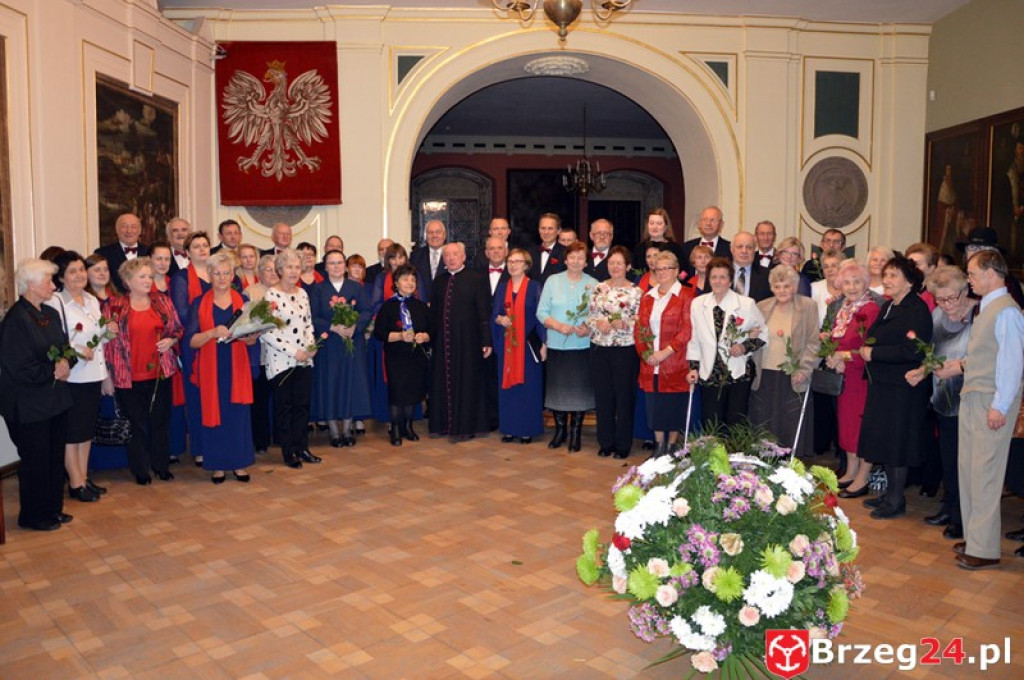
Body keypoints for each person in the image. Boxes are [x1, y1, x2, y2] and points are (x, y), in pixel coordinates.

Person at [955, 251, 1024, 569]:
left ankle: (983, 549)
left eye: (972, 273)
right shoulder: (987, 307)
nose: (968, 278)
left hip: (990, 401)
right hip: (974, 396)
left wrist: (1000, 406)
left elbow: (1012, 364)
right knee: (969, 470)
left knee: (985, 474)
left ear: (992, 273)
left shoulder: (1007, 311)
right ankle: (974, 537)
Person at [0, 259, 74, 530]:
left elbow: (66, 349)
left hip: (54, 401)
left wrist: (67, 362)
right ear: (31, 285)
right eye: (48, 281)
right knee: (35, 463)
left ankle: (53, 509)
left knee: (54, 459)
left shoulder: (49, 314)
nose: (53, 286)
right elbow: (18, 367)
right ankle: (33, 515)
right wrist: (53, 370)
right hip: (29, 405)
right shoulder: (16, 320)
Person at [858, 255, 934, 520]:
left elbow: (912, 350)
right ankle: (890, 493)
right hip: (885, 385)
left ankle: (896, 500)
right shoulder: (890, 306)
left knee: (897, 444)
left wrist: (874, 354)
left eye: (893, 276)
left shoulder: (916, 309)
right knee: (885, 441)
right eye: (886, 275)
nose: (886, 280)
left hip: (903, 388)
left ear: (909, 282)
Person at [904, 266, 976, 541]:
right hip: (943, 398)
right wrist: (922, 371)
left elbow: (989, 356)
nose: (947, 305)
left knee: (965, 462)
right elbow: (932, 352)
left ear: (965, 290)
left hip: (970, 398)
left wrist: (959, 367)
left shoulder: (979, 315)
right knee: (949, 458)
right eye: (940, 299)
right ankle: (950, 507)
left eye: (952, 298)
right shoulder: (937, 315)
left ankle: (962, 517)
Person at [105, 257, 184, 485]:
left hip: (160, 372)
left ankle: (161, 466)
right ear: (128, 281)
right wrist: (108, 377)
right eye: (142, 276)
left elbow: (177, 329)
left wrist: (170, 341)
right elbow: (106, 345)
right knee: (135, 425)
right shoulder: (115, 306)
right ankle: (140, 469)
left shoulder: (162, 302)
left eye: (150, 276)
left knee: (159, 421)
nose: (148, 280)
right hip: (126, 375)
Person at [47, 252, 114, 502]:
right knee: (71, 432)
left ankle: (83, 477)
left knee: (86, 431)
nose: (79, 275)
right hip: (72, 376)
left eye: (81, 270)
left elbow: (98, 339)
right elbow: (53, 339)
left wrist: (108, 333)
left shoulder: (91, 300)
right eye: (72, 271)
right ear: (61, 277)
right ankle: (75, 482)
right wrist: (75, 350)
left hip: (93, 374)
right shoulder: (56, 302)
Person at [186, 253, 257, 483]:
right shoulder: (199, 303)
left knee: (237, 415)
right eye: (217, 273)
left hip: (237, 366)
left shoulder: (244, 302)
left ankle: (239, 463)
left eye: (226, 272)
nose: (222, 277)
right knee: (213, 414)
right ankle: (217, 465)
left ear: (233, 275)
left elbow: (252, 340)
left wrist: (250, 337)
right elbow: (191, 341)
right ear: (209, 275)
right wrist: (211, 333)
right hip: (211, 367)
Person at [687, 257, 767, 427]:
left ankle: (734, 454)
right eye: (714, 277)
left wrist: (744, 347)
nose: (718, 281)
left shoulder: (746, 304)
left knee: (735, 421)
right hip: (709, 373)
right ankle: (714, 454)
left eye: (723, 277)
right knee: (711, 421)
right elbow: (694, 339)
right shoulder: (698, 304)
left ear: (730, 280)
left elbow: (763, 334)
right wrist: (693, 368)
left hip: (737, 372)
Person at [824, 260, 881, 496]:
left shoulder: (870, 309)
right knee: (846, 425)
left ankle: (863, 477)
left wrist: (841, 356)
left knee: (860, 427)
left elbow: (868, 348)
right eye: (847, 282)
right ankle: (850, 470)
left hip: (861, 377)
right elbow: (838, 341)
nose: (852, 286)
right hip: (845, 377)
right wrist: (830, 353)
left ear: (865, 283)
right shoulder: (844, 307)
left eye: (857, 281)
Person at [750, 265, 821, 455]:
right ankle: (765, 463)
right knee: (765, 422)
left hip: (793, 374)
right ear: (771, 287)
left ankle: (789, 466)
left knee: (790, 423)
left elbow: (814, 343)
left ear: (795, 286)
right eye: (777, 286)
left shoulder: (808, 306)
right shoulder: (761, 306)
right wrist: (750, 335)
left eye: (786, 286)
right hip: (764, 374)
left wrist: (804, 370)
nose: (782, 291)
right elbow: (752, 341)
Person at [260, 249, 321, 469]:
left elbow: (308, 324)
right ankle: (288, 452)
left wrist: (311, 346)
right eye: (289, 267)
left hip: (304, 359)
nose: (294, 271)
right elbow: (267, 332)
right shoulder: (271, 295)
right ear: (280, 269)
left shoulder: (303, 294)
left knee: (302, 406)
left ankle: (302, 447)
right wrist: (294, 352)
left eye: (297, 267)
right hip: (281, 360)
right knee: (284, 407)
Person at [537, 241, 598, 452]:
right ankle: (560, 431)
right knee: (557, 390)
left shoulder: (593, 283)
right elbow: (542, 312)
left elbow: (598, 314)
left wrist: (587, 327)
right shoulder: (552, 281)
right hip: (557, 343)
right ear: (565, 259)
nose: (576, 261)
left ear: (586, 261)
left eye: (580, 257)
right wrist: (557, 325)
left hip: (581, 345)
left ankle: (575, 433)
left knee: (579, 392)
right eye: (572, 257)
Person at [428, 242, 493, 440]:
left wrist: (486, 340)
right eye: (447, 255)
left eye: (455, 254)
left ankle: (465, 427)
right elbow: (434, 314)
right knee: (442, 382)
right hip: (443, 343)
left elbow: (484, 312)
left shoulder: (476, 278)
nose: (451, 258)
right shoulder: (439, 281)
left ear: (463, 257)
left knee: (468, 382)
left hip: (468, 341)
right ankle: (444, 425)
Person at [635, 251, 695, 457]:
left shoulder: (687, 296)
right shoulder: (647, 297)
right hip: (651, 363)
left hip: (675, 362)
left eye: (666, 268)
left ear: (676, 271)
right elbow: (640, 329)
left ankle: (671, 448)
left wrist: (665, 352)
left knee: (673, 407)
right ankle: (658, 446)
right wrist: (647, 354)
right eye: (657, 269)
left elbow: (687, 329)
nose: (661, 272)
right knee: (654, 406)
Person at [310, 249, 371, 447]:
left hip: (351, 344)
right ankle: (334, 432)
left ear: (345, 266)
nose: (336, 266)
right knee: (330, 385)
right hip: (328, 345)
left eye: (339, 262)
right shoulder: (318, 289)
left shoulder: (356, 287)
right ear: (325, 266)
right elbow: (313, 316)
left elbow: (366, 310)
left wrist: (355, 326)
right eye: (331, 263)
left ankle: (347, 429)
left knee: (349, 384)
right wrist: (331, 326)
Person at [586, 246, 641, 458]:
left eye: (619, 263)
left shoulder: (636, 291)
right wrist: (598, 322)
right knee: (603, 396)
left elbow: (641, 320)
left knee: (624, 396)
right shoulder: (598, 288)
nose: (614, 267)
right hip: (600, 348)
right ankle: (605, 442)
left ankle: (623, 444)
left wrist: (625, 323)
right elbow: (589, 316)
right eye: (611, 263)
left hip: (625, 350)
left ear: (627, 266)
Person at [374, 264, 432, 446]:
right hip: (396, 357)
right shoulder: (388, 307)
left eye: (413, 280)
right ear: (396, 283)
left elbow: (432, 330)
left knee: (412, 392)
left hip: (416, 357)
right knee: (397, 393)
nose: (410, 283)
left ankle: (408, 426)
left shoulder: (422, 306)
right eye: (405, 279)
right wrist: (399, 335)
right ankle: (396, 429)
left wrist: (425, 335)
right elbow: (379, 333)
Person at [492, 249, 545, 444]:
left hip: (529, 345)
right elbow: (495, 313)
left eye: (518, 261)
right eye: (510, 261)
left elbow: (541, 316)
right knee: (508, 389)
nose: (513, 265)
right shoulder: (502, 287)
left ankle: (527, 429)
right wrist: (499, 319)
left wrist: (544, 343)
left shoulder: (534, 287)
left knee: (528, 388)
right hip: (507, 345)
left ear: (526, 265)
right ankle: (509, 428)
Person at [170, 231, 212, 466]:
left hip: (219, 341)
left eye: (205, 245)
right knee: (197, 396)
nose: (202, 250)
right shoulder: (181, 278)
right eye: (196, 246)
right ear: (187, 252)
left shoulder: (218, 273)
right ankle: (199, 447)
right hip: (195, 343)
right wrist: (209, 326)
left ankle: (216, 442)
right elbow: (182, 313)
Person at [243, 254, 280, 456]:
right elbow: (244, 322)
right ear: (260, 272)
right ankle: (261, 440)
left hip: (283, 354)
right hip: (260, 354)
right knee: (260, 400)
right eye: (267, 269)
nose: (272, 273)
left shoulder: (285, 291)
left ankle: (281, 436)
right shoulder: (251, 292)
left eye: (276, 269)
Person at [94, 213, 149, 292]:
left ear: (139, 231)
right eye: (124, 226)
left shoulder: (149, 252)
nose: (129, 231)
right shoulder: (103, 253)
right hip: (115, 301)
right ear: (117, 230)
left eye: (133, 227)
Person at [681, 205, 731, 275]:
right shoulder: (686, 247)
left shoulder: (730, 249)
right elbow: (683, 273)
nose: (708, 224)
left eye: (712, 220)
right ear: (699, 223)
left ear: (721, 224)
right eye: (705, 220)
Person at [634, 208, 684, 275]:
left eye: (659, 223)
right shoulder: (639, 248)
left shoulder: (675, 248)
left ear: (666, 226)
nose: (654, 227)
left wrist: (677, 280)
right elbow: (634, 272)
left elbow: (684, 272)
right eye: (651, 223)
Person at [730, 231, 772, 302]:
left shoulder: (767, 276)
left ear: (754, 250)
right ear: (732, 249)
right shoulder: (719, 272)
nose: (744, 251)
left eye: (749, 247)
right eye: (740, 247)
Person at [410, 219, 447, 298]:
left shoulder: (452, 255)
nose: (434, 235)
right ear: (426, 236)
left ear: (444, 235)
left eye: (438, 232)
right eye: (430, 232)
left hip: (445, 305)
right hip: (422, 304)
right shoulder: (415, 256)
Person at [528, 213, 567, 284]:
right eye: (543, 228)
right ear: (538, 230)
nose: (546, 232)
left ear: (559, 231)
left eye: (550, 228)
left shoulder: (566, 253)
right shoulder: (530, 253)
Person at [809, 250, 843, 324]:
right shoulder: (813, 288)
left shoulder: (850, 289)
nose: (829, 270)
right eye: (826, 267)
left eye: (834, 266)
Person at [905, 242, 939, 311]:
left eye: (917, 264)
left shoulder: (936, 295)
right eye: (910, 263)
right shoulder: (902, 291)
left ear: (931, 268)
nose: (912, 267)